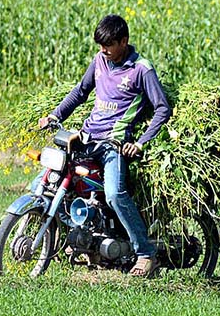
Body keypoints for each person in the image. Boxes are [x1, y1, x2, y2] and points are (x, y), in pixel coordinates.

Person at [38, 14, 170, 277]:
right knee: (49, 184)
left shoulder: (141, 69)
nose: (103, 51)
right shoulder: (100, 60)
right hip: (87, 138)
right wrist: (55, 115)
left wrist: (141, 144)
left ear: (124, 41)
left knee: (114, 194)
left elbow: (162, 109)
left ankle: (145, 253)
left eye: (108, 45)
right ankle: (80, 241)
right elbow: (80, 91)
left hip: (113, 145)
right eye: (100, 46)